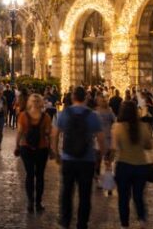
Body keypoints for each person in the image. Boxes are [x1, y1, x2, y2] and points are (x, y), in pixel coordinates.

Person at [51, 86, 105, 229]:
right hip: (87, 160)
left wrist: (56, 153)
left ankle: (65, 221)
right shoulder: (93, 115)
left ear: (73, 97)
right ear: (86, 98)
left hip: (68, 159)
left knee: (67, 192)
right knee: (85, 195)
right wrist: (101, 155)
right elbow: (100, 139)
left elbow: (54, 135)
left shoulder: (64, 114)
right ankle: (82, 224)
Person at [112, 101, 153, 228]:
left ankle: (124, 224)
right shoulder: (143, 126)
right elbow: (148, 145)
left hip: (123, 165)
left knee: (123, 197)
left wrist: (109, 161)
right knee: (139, 196)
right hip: (141, 166)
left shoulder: (117, 127)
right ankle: (142, 220)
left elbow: (114, 147)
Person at [17, 94, 53, 213]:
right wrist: (52, 148)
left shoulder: (23, 116)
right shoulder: (46, 117)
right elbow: (49, 133)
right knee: (40, 176)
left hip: (26, 148)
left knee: (30, 175)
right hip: (41, 148)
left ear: (29, 103)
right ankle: (38, 203)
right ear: (41, 103)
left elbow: (20, 132)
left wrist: (17, 145)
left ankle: (30, 202)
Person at [94, 93, 115, 182]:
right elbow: (115, 121)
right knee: (108, 162)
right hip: (108, 138)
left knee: (98, 160)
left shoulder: (96, 112)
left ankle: (98, 177)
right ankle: (108, 180)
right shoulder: (109, 111)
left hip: (99, 139)